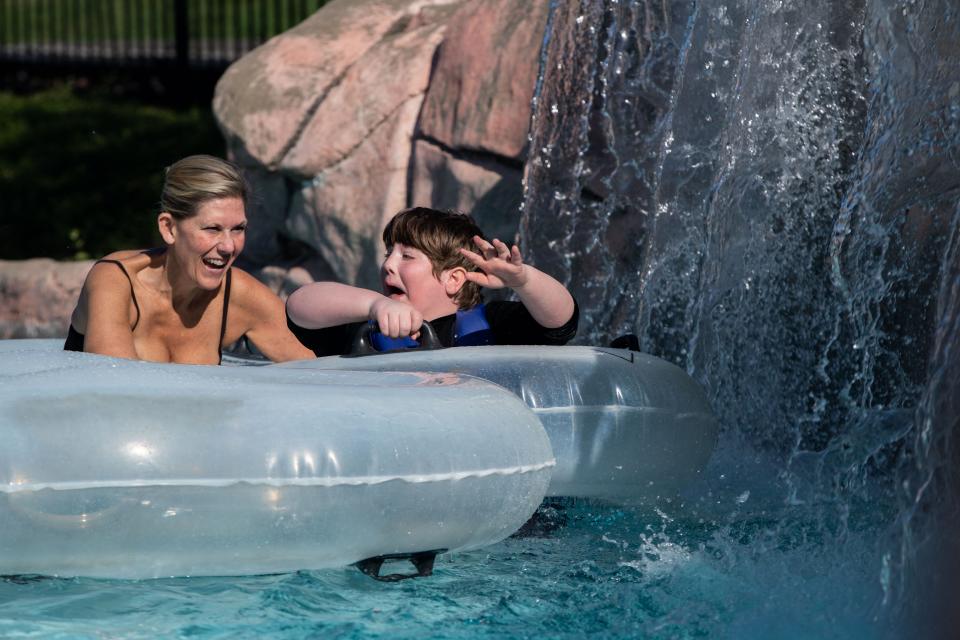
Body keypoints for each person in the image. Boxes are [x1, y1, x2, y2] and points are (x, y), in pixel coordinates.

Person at [64, 155, 313, 364]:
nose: (229, 246)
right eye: (213, 228)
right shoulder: (116, 282)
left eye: (238, 229)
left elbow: (322, 378)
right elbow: (115, 394)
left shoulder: (240, 296)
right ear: (169, 228)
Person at [285, 207, 578, 356]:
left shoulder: (494, 327)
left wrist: (524, 280)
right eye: (389, 254)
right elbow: (297, 308)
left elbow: (560, 322)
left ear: (454, 279)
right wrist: (374, 305)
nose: (388, 264)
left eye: (407, 257)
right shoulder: (367, 329)